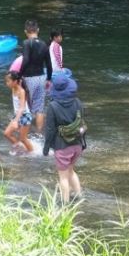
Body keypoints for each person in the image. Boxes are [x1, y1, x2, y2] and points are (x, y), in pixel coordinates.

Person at [43, 73, 85, 204]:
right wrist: (84, 143)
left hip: (62, 147)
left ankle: (65, 205)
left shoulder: (53, 106)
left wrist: (46, 148)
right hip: (77, 144)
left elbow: (50, 130)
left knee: (63, 177)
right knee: (71, 171)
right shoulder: (78, 102)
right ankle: (79, 197)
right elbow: (81, 123)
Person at [19, 19, 53, 132]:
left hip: (29, 78)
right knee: (39, 109)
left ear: (25, 31)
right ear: (38, 30)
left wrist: (19, 76)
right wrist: (48, 79)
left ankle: (24, 135)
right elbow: (49, 65)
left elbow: (26, 60)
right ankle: (38, 134)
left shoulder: (26, 43)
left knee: (25, 106)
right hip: (41, 78)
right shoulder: (44, 44)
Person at [3, 71, 34, 154]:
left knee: (23, 138)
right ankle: (21, 148)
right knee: (7, 133)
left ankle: (32, 153)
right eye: (6, 81)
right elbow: (17, 77)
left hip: (25, 116)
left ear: (15, 82)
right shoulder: (13, 88)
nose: (7, 83)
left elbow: (22, 107)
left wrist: (16, 121)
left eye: (8, 81)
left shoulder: (21, 91)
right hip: (18, 115)